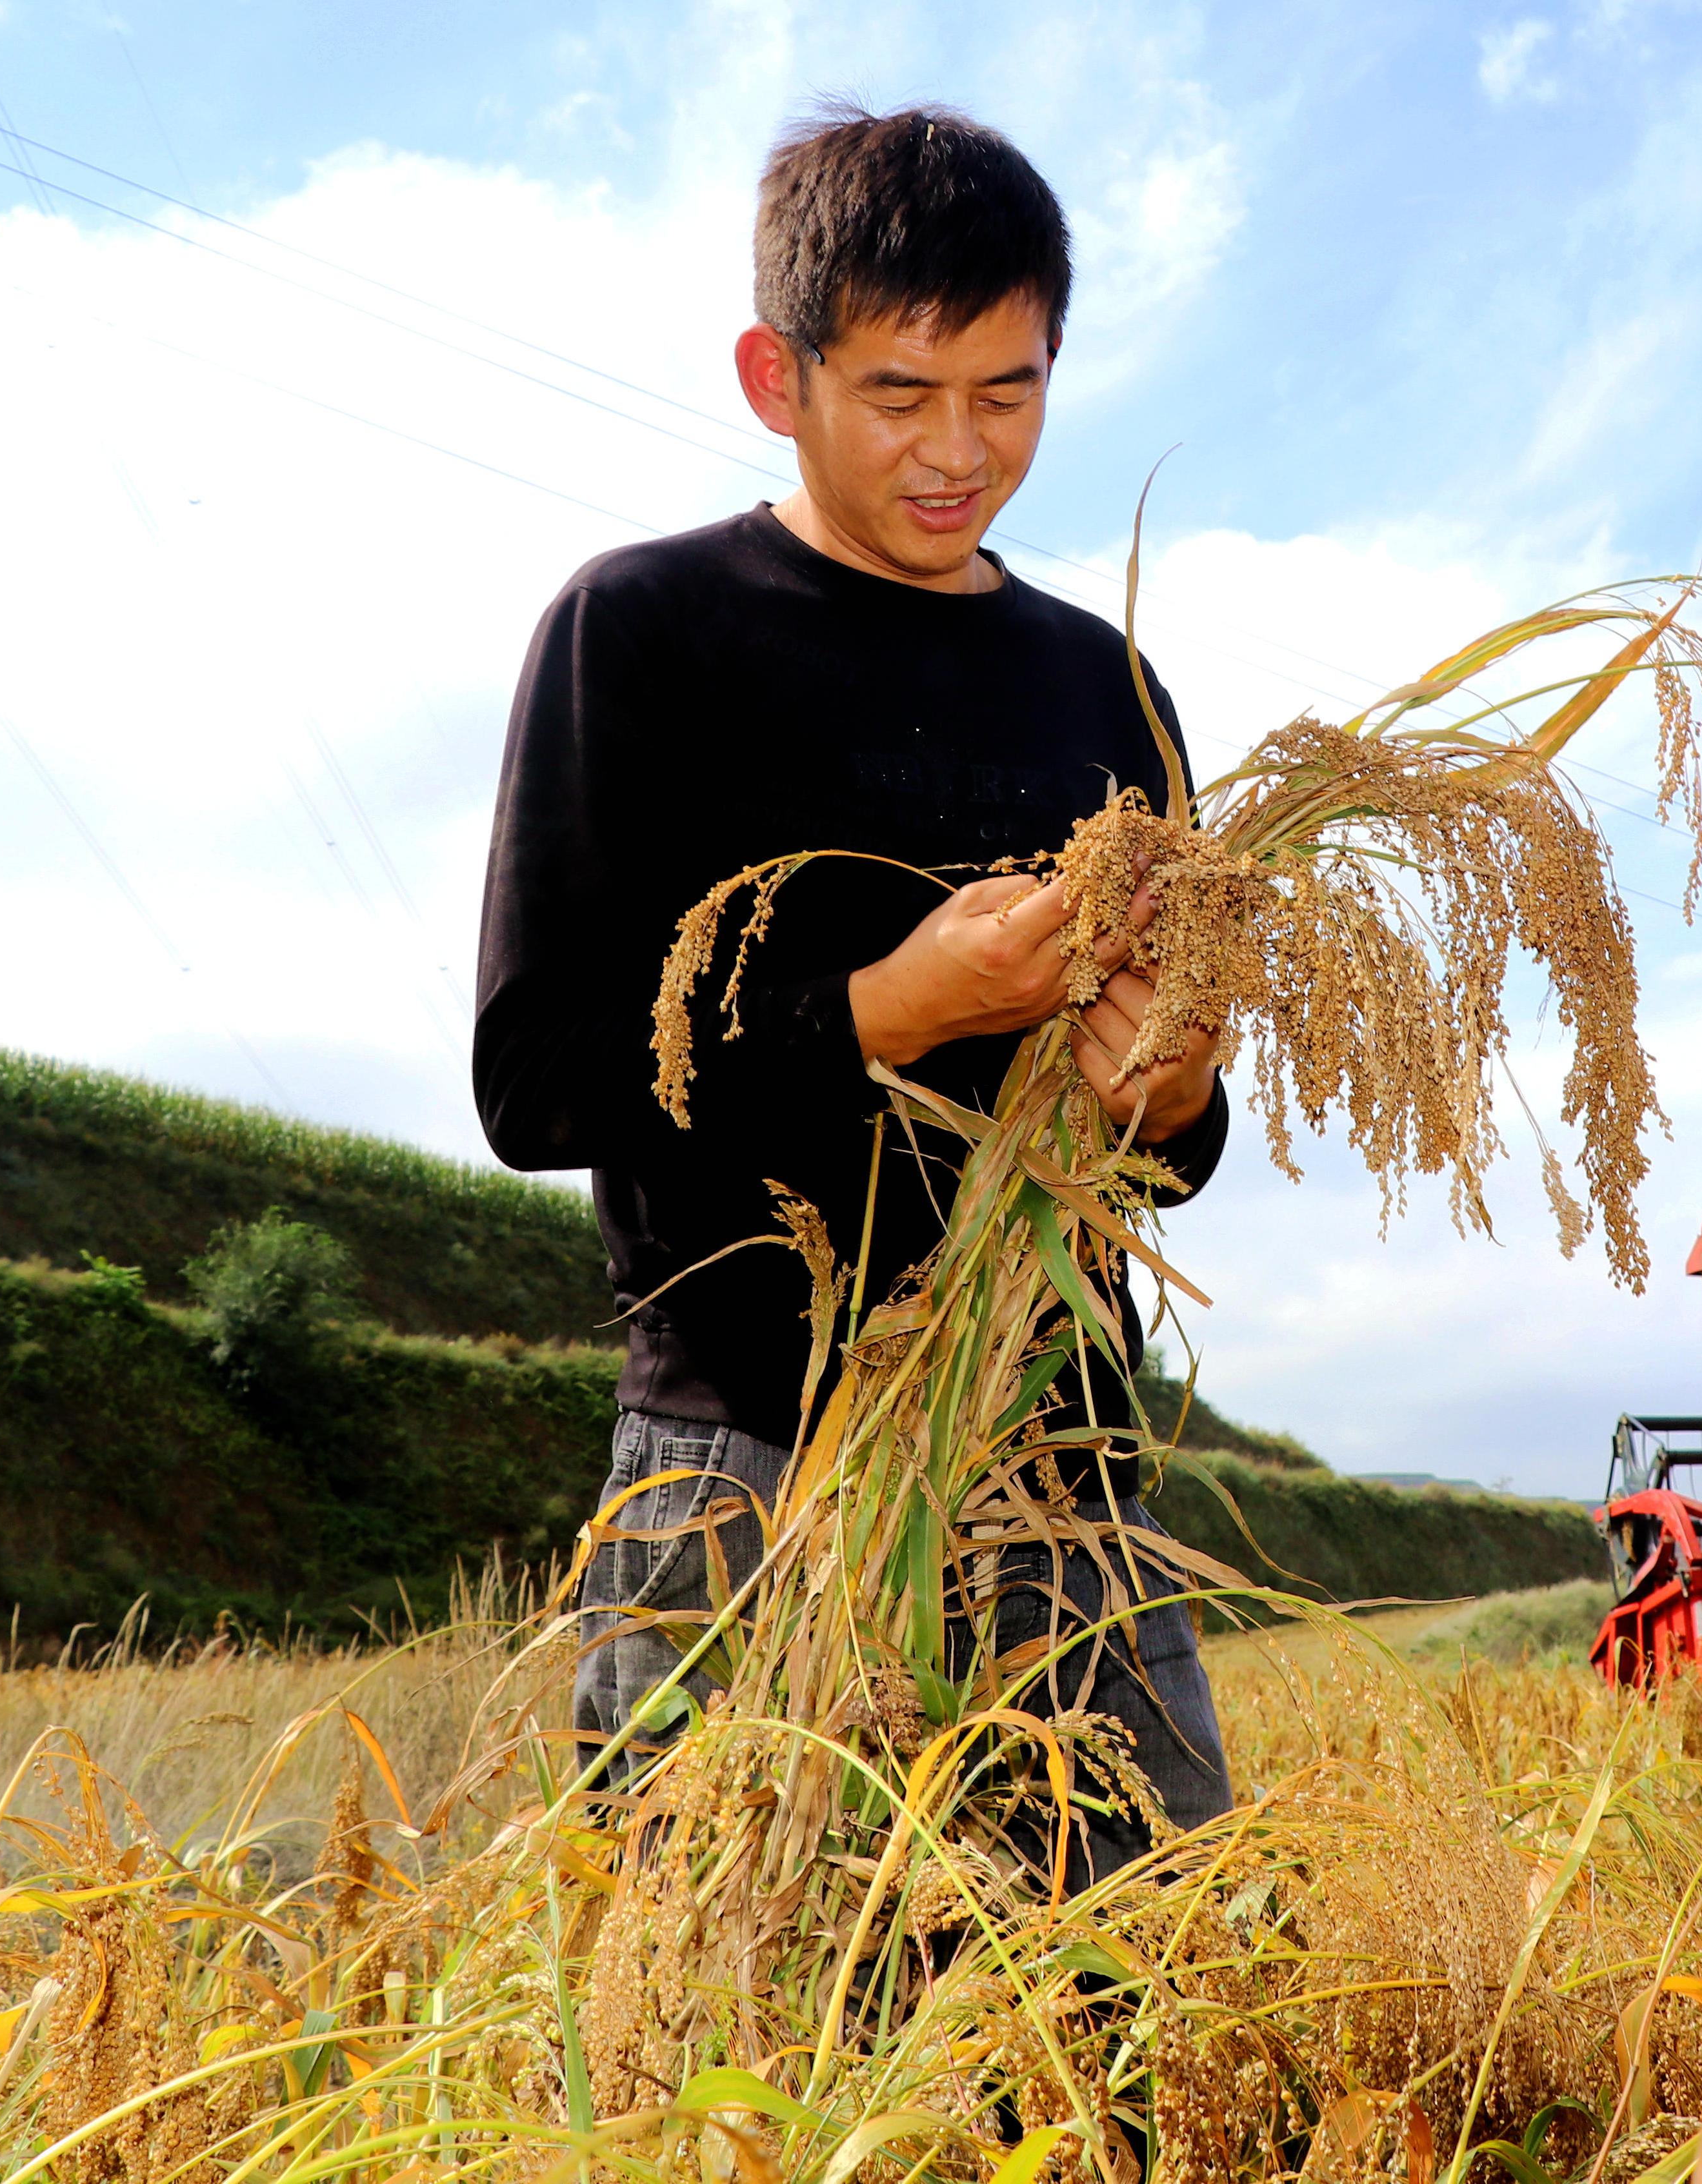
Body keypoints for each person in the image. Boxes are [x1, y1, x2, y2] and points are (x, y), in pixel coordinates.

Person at [473, 101, 1232, 1877]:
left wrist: (1171, 1084)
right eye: (901, 394)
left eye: (1009, 393)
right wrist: (889, 1008)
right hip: (744, 1467)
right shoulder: (641, 632)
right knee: (738, 2001)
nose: (958, 452)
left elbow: (1174, 1155)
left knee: (1153, 1984)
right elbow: (536, 1075)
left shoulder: (1109, 688)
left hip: (1059, 1480)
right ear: (777, 374)